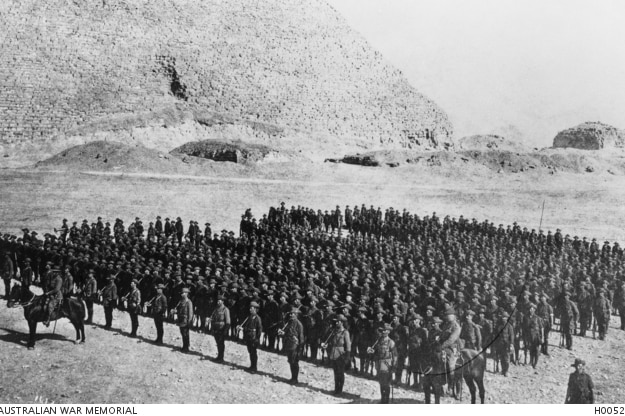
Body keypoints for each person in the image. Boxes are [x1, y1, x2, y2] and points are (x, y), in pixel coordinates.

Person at [322, 314, 351, 395]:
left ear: (342, 322)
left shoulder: (345, 332)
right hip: (334, 353)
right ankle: (336, 389)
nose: (337, 323)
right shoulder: (334, 331)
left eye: (338, 322)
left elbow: (348, 346)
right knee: (335, 372)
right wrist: (326, 345)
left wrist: (347, 357)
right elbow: (330, 341)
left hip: (341, 355)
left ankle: (340, 390)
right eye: (336, 322)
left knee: (340, 373)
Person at [368, 323, 397, 404]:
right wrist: (371, 351)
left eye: (385, 331)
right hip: (379, 364)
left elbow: (395, 356)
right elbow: (376, 352)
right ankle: (382, 399)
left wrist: (394, 367)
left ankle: (386, 401)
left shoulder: (391, 342)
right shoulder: (378, 341)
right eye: (383, 331)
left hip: (387, 365)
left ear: (388, 332)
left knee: (386, 384)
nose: (384, 332)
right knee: (381, 383)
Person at [278, 306, 304, 384]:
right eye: (290, 314)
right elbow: (287, 333)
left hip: (295, 346)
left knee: (294, 362)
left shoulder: (299, 324)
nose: (291, 315)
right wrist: (282, 333)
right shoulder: (289, 322)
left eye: (293, 314)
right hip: (289, 344)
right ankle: (292, 377)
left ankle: (295, 379)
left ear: (296, 315)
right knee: (290, 361)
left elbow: (301, 338)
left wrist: (300, 349)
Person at [239, 301, 263, 372]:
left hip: (254, 338)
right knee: (250, 352)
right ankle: (251, 366)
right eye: (250, 308)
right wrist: (243, 328)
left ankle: (254, 367)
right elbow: (247, 326)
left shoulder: (257, 318)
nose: (250, 309)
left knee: (253, 353)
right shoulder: (249, 317)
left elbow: (259, 330)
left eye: (251, 308)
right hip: (249, 337)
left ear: (255, 309)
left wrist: (257, 339)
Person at [209, 295, 231, 362]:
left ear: (222, 301)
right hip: (216, 329)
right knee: (218, 343)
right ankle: (219, 356)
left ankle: (221, 358)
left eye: (219, 301)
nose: (218, 302)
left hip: (222, 329)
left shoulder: (225, 309)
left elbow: (228, 321)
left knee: (221, 344)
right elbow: (213, 318)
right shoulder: (216, 309)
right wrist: (212, 327)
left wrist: (226, 330)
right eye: (217, 301)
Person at [177, 287, 194, 352]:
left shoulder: (189, 302)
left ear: (187, 294)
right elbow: (179, 310)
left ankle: (186, 347)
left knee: (185, 333)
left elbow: (190, 313)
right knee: (182, 332)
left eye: (183, 293)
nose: (182, 294)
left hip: (185, 320)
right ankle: (185, 345)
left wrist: (189, 321)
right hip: (181, 319)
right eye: (181, 293)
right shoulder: (181, 301)